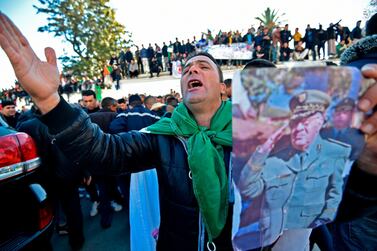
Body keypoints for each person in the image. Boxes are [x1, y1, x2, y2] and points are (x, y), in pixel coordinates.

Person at [1, 12, 377, 251]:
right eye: (186, 70)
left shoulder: (267, 131)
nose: (192, 71)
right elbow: (102, 152)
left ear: (224, 87)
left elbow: (320, 201)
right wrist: (50, 100)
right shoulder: (164, 135)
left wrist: (367, 167)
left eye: (203, 67)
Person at [234, 90, 351, 250]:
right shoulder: (275, 158)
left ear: (321, 121)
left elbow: (334, 195)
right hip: (266, 242)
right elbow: (248, 189)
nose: (298, 128)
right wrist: (261, 153)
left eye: (306, 121)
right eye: (295, 122)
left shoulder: (335, 153)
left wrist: (318, 220)